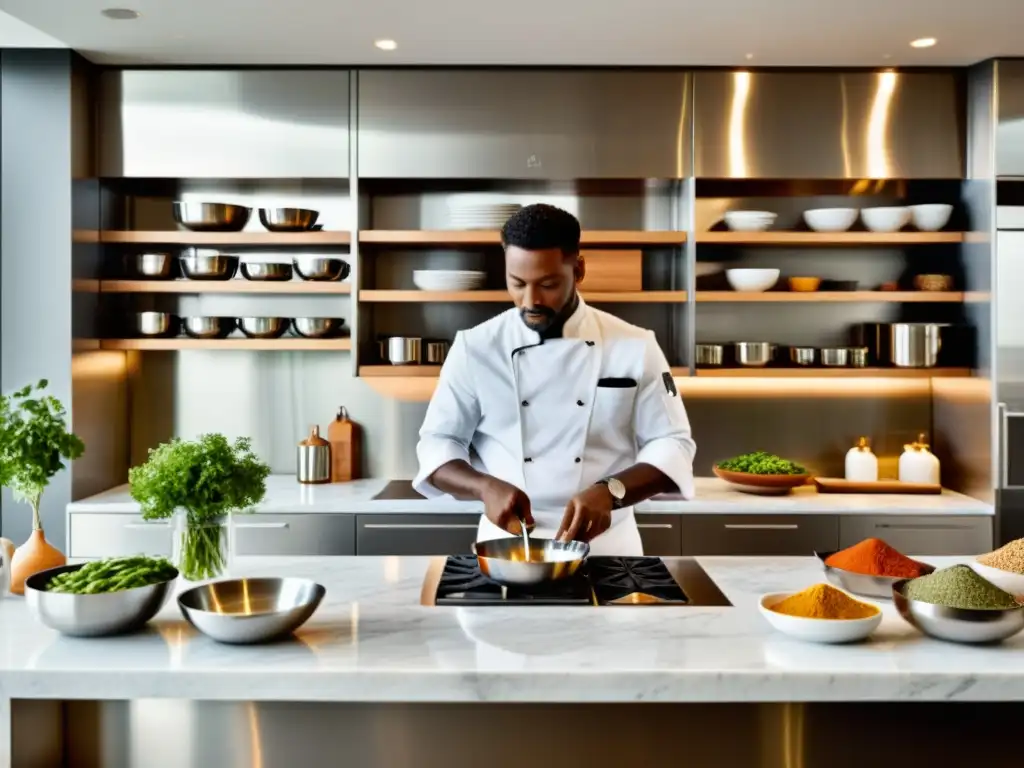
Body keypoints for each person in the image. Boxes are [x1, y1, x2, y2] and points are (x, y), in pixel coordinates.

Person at [413, 203, 696, 555]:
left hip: (608, 546)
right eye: (517, 283)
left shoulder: (635, 345)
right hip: (507, 546)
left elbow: (673, 445)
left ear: (578, 270)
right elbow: (438, 442)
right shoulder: (476, 347)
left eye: (548, 284)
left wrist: (611, 491)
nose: (530, 301)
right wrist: (484, 487)